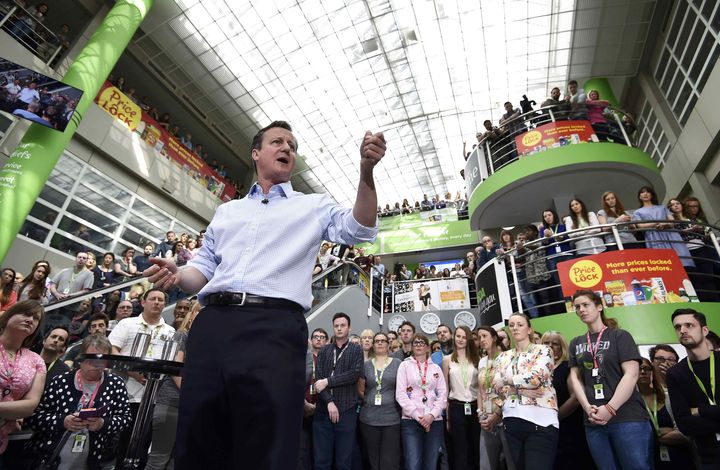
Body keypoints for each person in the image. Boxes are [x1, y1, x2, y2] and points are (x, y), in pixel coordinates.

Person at [145, 121, 384, 470]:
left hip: (273, 329)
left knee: (266, 442)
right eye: (277, 141)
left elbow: (360, 229)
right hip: (213, 326)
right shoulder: (228, 211)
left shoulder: (313, 206)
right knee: (200, 435)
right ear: (256, 153)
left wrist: (366, 172)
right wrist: (179, 274)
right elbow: (203, 271)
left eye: (292, 144)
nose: (287, 147)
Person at [568, 289, 652, 469]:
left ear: (599, 306)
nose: (581, 309)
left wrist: (610, 408)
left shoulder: (619, 336)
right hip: (593, 419)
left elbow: (631, 374)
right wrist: (587, 408)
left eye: (585, 305)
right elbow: (575, 378)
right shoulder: (576, 342)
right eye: (577, 307)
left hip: (627, 418)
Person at [26, 334, 131, 469]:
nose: (96, 365)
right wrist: (62, 421)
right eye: (90, 358)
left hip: (92, 460)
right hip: (49, 458)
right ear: (80, 358)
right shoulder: (60, 381)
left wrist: (102, 424)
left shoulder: (115, 384)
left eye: (101, 360)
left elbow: (125, 419)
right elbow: (33, 417)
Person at [488, 313, 559, 470]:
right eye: (512, 325)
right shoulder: (502, 357)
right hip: (511, 422)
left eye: (520, 324)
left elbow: (536, 378)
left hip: (541, 421)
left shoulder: (543, 351)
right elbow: (494, 386)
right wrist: (520, 390)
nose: (515, 328)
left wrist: (508, 383)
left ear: (529, 329)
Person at [146, 302, 200, 470]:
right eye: (199, 312)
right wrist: (192, 396)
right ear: (191, 316)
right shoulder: (182, 335)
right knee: (159, 459)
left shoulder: (211, 342)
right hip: (172, 402)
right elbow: (175, 369)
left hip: (193, 407)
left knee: (180, 460)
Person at [667, 308, 720, 468]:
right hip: (709, 457)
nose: (682, 330)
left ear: (704, 330)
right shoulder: (675, 373)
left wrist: (700, 411)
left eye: (689, 325)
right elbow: (684, 425)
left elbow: (691, 419)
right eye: (678, 327)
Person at [313, 312, 363, 470]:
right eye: (336, 326)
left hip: (347, 410)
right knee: (321, 461)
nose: (339, 328)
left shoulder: (356, 350)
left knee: (344, 461)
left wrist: (329, 381)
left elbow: (354, 374)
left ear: (349, 328)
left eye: (343, 325)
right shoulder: (325, 350)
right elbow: (318, 380)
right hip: (323, 411)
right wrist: (329, 402)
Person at [541, 330, 594, 470]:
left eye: (555, 343)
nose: (550, 346)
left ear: (562, 347)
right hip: (546, 429)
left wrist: (555, 417)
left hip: (569, 427)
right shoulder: (538, 370)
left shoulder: (567, 366)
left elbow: (576, 398)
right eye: (546, 343)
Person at [0, 301, 47, 455]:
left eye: (35, 318)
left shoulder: (36, 361)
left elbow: (30, 405)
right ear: (8, 316)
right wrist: (12, 412)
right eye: (25, 314)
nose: (30, 320)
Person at [396, 333, 447, 470]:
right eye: (415, 343)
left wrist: (432, 415)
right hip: (411, 420)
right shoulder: (404, 366)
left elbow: (442, 394)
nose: (418, 345)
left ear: (427, 347)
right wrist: (418, 416)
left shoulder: (436, 368)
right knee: (413, 464)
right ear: (411, 347)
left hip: (434, 421)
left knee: (430, 464)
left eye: (421, 342)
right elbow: (400, 394)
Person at [638, 357, 694, 469]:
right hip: (648, 458)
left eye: (646, 368)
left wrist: (651, 436)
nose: (643, 372)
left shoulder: (668, 398)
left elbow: (686, 433)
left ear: (652, 372)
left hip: (679, 457)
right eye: (638, 369)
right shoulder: (630, 404)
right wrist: (662, 433)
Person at [358, 332, 402, 470]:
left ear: (388, 344)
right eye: (377, 341)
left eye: (383, 340)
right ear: (373, 344)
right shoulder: (365, 365)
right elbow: (360, 390)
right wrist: (369, 401)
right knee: (373, 460)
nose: (380, 343)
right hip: (369, 419)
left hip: (392, 419)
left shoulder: (398, 364)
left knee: (389, 460)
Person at [442, 326, 480, 470]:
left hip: (475, 406)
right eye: (458, 336)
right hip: (456, 407)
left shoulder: (477, 360)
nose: (460, 339)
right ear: (454, 337)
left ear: (468, 339)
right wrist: (447, 416)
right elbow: (446, 389)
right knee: (459, 448)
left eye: (464, 337)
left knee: (475, 446)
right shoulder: (447, 360)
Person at [632, 186, 694, 268]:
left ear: (652, 195)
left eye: (648, 192)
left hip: (670, 234)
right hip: (653, 236)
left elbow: (672, 221)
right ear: (639, 197)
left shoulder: (662, 207)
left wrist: (665, 224)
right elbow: (640, 226)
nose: (645, 194)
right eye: (642, 192)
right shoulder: (637, 212)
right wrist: (656, 223)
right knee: (663, 263)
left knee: (682, 262)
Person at [476, 326, 507, 470]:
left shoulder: (506, 357)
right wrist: (480, 413)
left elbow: (509, 390)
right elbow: (480, 389)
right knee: (486, 464)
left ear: (494, 338)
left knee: (509, 462)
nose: (481, 340)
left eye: (485, 336)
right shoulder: (482, 361)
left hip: (505, 416)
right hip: (486, 418)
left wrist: (497, 415)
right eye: (479, 337)